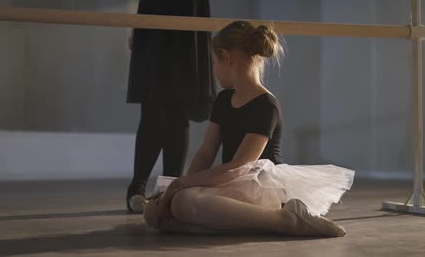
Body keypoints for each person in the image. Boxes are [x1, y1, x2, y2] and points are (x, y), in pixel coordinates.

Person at [142, 21, 355, 237]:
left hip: (260, 185)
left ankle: (285, 219)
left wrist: (182, 186)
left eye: (214, 61)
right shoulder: (223, 100)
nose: (214, 70)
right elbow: (206, 153)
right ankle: (228, 225)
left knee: (184, 203)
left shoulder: (266, 105)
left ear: (227, 58)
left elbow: (239, 167)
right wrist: (180, 187)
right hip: (231, 182)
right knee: (153, 212)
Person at [126, 0, 218, 213]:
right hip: (156, 2)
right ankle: (139, 186)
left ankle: (169, 187)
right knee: (154, 100)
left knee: (178, 101)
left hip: (184, 1)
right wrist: (142, 21)